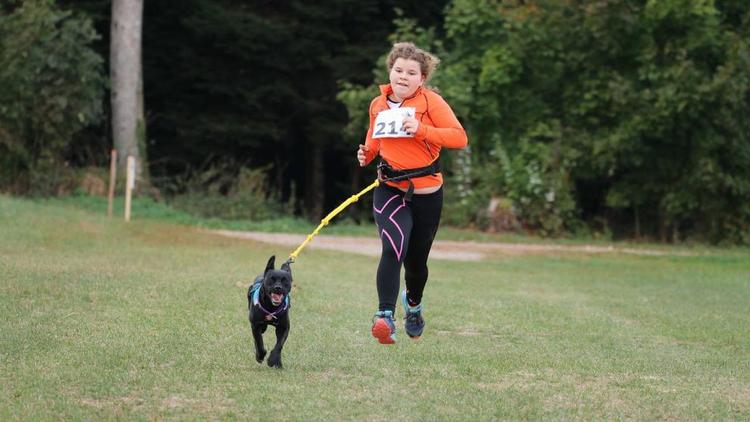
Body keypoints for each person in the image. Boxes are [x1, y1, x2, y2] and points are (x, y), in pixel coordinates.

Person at [357, 42, 468, 344]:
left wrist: (421, 129)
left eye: (411, 72)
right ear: (390, 72)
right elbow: (374, 143)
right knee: (394, 246)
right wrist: (366, 155)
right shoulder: (377, 105)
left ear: (422, 78)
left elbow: (459, 137)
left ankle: (414, 305)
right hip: (390, 189)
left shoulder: (431, 102)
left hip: (428, 193)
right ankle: (384, 316)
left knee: (416, 263)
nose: (403, 76)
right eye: (398, 70)